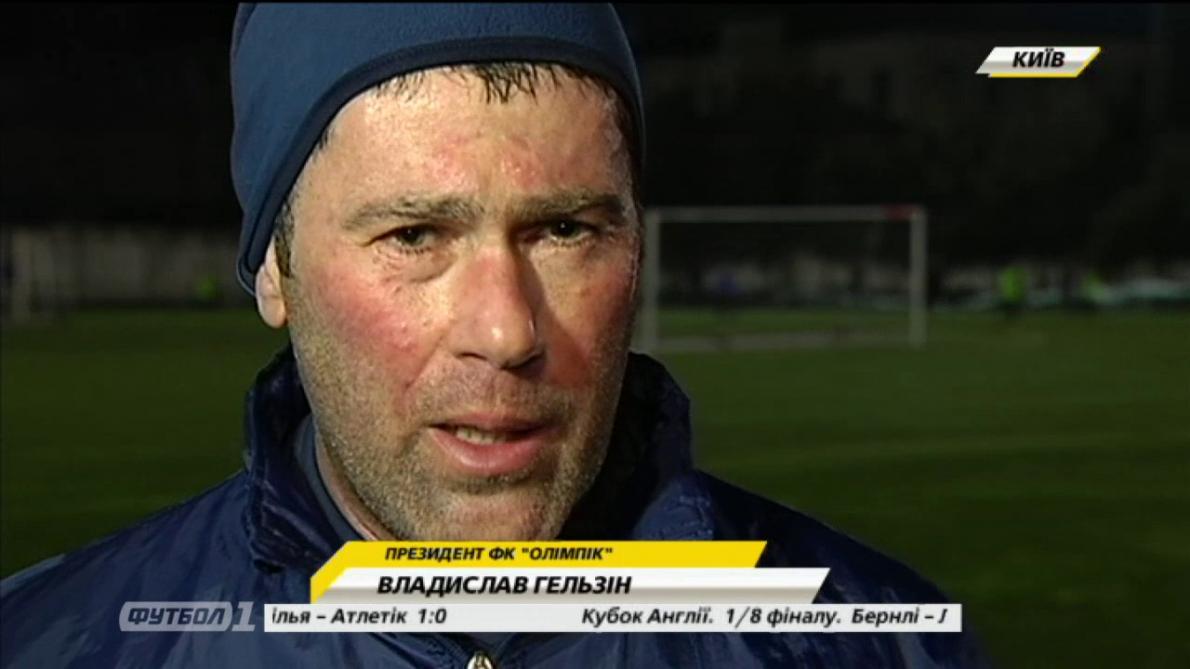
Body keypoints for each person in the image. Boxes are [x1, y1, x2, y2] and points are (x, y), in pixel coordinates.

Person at [1, 5, 989, 667]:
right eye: (414, 235)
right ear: (273, 267)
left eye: (565, 230)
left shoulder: (872, 643)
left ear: (636, 246)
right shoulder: (56, 643)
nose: (507, 330)